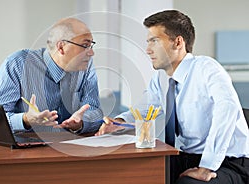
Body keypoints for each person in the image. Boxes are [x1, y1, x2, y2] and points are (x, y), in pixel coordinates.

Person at [96, 10, 249, 184]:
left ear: (177, 42)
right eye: (148, 42)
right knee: (134, 173)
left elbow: (227, 110)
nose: (148, 50)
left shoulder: (207, 68)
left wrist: (207, 167)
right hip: (187, 157)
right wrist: (118, 124)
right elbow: (144, 109)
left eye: (154, 41)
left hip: (227, 162)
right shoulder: (161, 78)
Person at [0, 17, 103, 134]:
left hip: (71, 146)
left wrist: (81, 123)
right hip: (27, 148)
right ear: (61, 47)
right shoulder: (18, 64)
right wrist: (26, 120)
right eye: (85, 45)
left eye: (91, 46)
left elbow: (94, 111)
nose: (91, 53)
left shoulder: (85, 66)